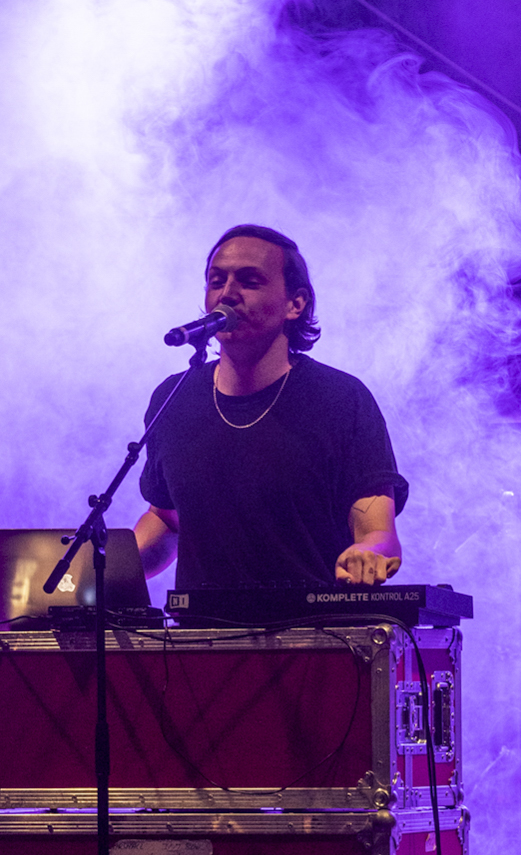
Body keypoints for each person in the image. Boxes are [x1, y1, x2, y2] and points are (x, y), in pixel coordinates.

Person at [135, 225, 408, 590]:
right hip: (200, 624)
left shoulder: (341, 400)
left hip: (315, 622)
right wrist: (104, 567)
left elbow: (378, 532)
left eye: (249, 281)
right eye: (216, 281)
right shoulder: (175, 398)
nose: (227, 294)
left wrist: (368, 552)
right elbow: (168, 521)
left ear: (295, 304)